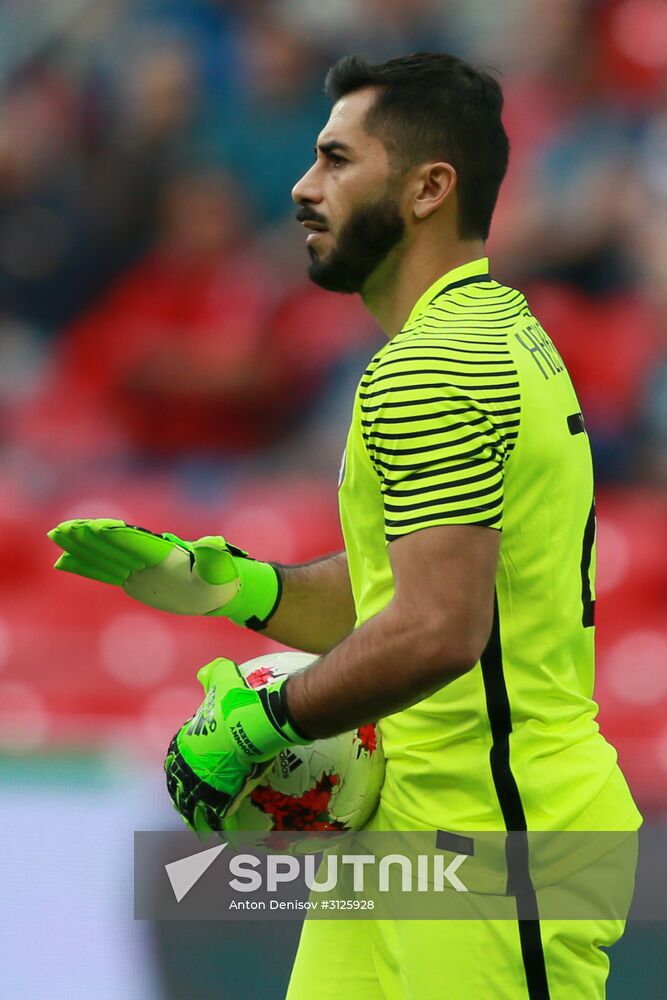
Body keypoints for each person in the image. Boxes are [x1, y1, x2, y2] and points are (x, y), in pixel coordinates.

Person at [49, 53, 641, 999]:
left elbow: (439, 630)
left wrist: (264, 723)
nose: (301, 186)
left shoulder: (436, 366)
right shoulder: (482, 329)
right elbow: (406, 596)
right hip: (413, 829)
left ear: (428, 188)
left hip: (496, 840)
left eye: (335, 160)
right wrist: (234, 586)